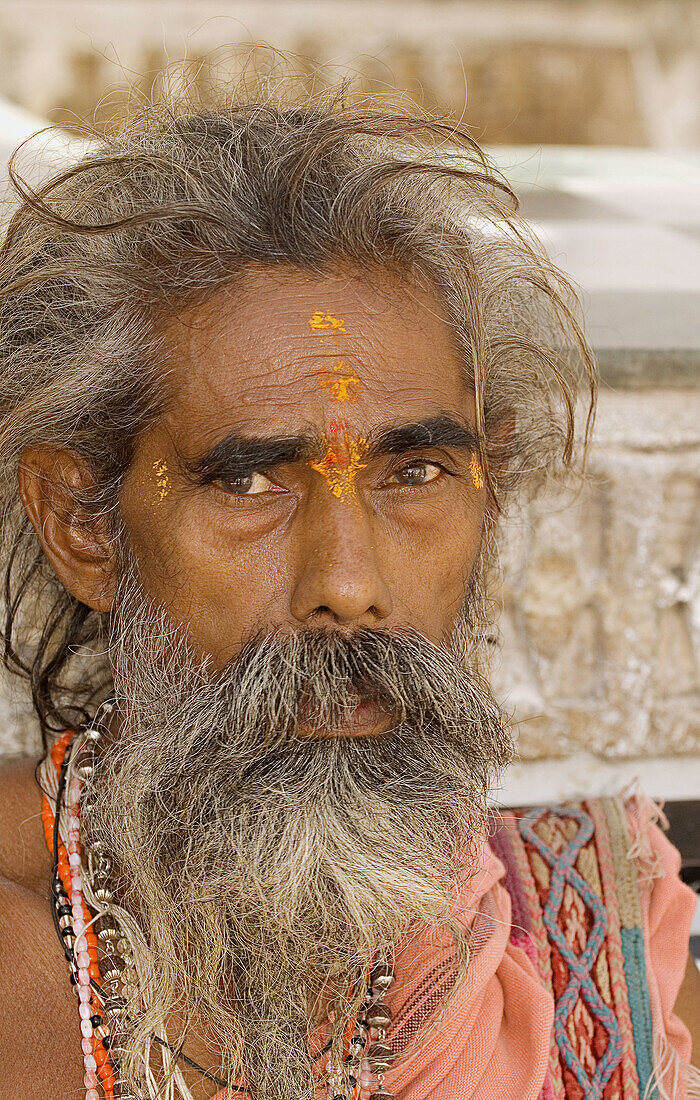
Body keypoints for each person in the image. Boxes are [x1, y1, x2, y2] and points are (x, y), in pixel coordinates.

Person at [0, 86, 696, 1100]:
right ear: (85, 524)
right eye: (247, 480)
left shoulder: (599, 931)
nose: (348, 585)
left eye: (413, 474)